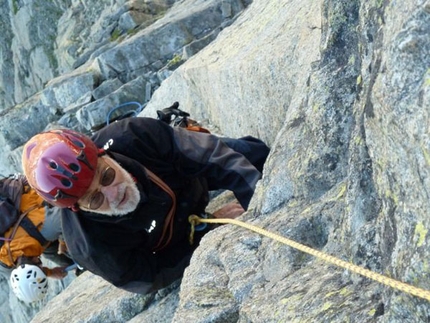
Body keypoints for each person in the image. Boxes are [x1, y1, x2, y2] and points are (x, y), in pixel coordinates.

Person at [21, 116, 270, 294]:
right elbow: (147, 277)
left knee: (255, 154)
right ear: (78, 208)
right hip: (177, 238)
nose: (113, 193)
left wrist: (262, 209)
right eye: (95, 199)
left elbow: (214, 156)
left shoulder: (134, 136)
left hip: (189, 179)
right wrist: (203, 237)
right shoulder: (90, 245)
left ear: (103, 154)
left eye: (107, 176)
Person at [0, 175, 75, 302]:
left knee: (72, 242)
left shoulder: (47, 228)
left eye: (39, 263)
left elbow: (69, 216)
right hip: (31, 233)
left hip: (32, 196)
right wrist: (50, 272)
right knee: (51, 252)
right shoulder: (5, 264)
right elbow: (28, 274)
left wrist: (63, 242)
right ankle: (78, 265)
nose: (40, 262)